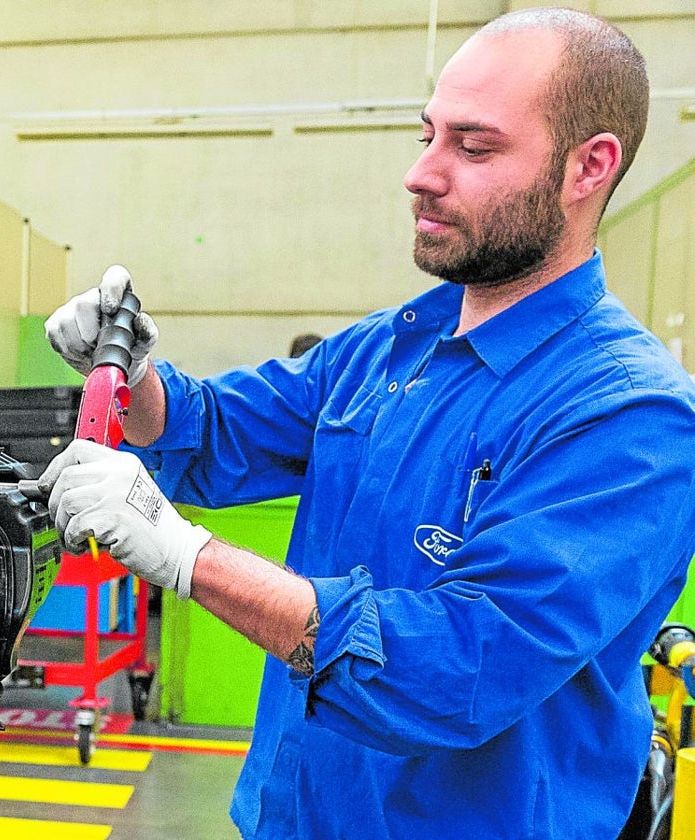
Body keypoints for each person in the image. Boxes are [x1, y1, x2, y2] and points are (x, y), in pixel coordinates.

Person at [41, 8, 695, 839]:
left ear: (587, 168)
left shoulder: (629, 419)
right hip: (293, 819)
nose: (422, 173)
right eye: (428, 135)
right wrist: (131, 378)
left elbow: (457, 667)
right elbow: (217, 429)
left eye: (474, 145)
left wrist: (186, 555)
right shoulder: (394, 347)